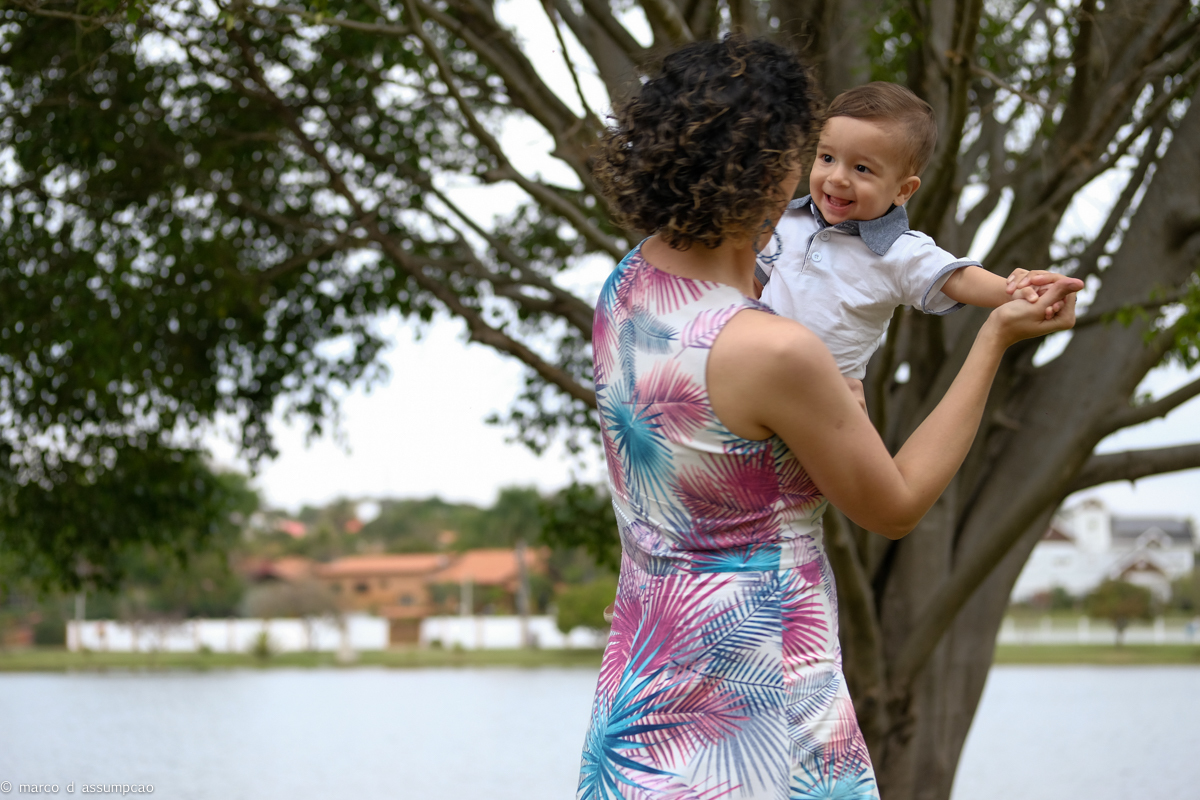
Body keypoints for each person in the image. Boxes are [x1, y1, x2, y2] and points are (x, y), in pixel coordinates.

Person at [580, 36, 1082, 800]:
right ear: (775, 168)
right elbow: (898, 503)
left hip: (642, 704)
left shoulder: (627, 285)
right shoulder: (776, 354)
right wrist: (995, 340)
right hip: (765, 712)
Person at [758, 82, 1075, 401]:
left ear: (903, 191)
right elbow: (743, 280)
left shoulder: (900, 250)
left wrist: (1014, 291)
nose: (837, 177)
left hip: (825, 400)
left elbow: (958, 277)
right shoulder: (787, 221)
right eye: (827, 157)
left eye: (861, 168)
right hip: (751, 372)